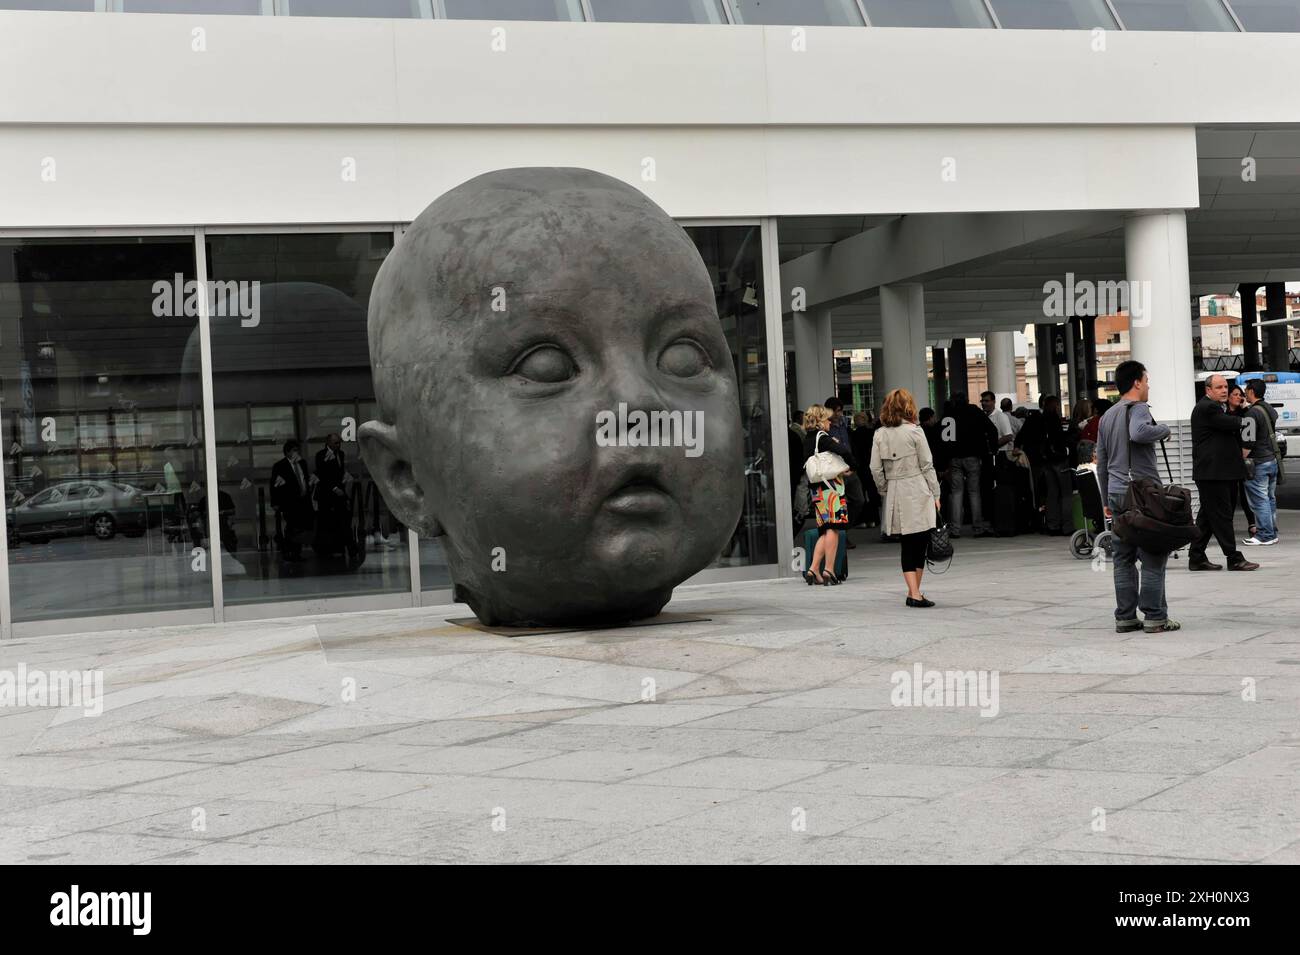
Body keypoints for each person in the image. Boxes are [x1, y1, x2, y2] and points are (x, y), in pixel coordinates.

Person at [1096, 360, 1179, 633]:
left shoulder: (1107, 416)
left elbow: (1102, 462)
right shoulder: (1139, 408)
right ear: (1136, 383)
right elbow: (1139, 432)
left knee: (1123, 557)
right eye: (1147, 380)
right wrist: (1164, 430)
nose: (1148, 385)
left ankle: (1126, 617)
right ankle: (1155, 616)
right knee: (1154, 554)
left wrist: (1107, 500)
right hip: (1142, 494)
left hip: (1118, 492)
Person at [870, 388, 942, 608]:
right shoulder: (915, 431)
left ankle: (914, 592)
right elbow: (927, 465)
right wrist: (936, 493)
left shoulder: (880, 434)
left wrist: (885, 489)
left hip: (895, 489)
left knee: (906, 544)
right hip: (917, 487)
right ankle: (914, 593)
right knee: (919, 542)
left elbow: (875, 468)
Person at [1189, 374, 1258, 572]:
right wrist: (1245, 413)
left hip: (1217, 472)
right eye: (1219, 387)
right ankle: (1233, 557)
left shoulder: (1215, 408)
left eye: (1225, 387)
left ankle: (1196, 557)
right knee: (1222, 516)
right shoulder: (1208, 407)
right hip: (1213, 473)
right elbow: (1230, 423)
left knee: (1208, 517)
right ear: (1208, 390)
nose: (1224, 390)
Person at [802, 404, 855, 585]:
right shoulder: (822, 438)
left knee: (824, 529)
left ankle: (813, 568)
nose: (830, 424)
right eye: (827, 420)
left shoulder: (808, 439)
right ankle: (829, 570)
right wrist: (852, 466)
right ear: (820, 421)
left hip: (816, 489)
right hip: (831, 488)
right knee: (833, 528)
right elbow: (844, 452)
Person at [946, 391, 997, 538]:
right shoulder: (974, 411)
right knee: (974, 492)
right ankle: (977, 528)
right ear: (967, 400)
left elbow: (942, 436)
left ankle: (955, 529)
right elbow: (992, 429)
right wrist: (992, 449)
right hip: (973, 457)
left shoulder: (949, 414)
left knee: (956, 493)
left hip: (954, 458)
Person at [1242, 379, 1280, 546]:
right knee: (1269, 498)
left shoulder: (1251, 414)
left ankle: (1265, 534)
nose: (1244, 393)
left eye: (1246, 390)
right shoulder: (1269, 409)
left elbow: (1248, 441)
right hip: (1271, 459)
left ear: (1251, 391)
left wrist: (1241, 458)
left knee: (1259, 500)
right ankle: (1272, 531)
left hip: (1257, 461)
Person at [826, 397, 865, 537]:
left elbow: (850, 444)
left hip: (850, 468)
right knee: (837, 505)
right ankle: (840, 534)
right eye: (837, 411)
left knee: (859, 500)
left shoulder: (844, 425)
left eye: (841, 411)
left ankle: (844, 529)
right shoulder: (825, 427)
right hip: (835, 471)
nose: (839, 414)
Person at [270, 439, 313, 561]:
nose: (297, 453)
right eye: (294, 450)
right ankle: (290, 551)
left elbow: (305, 479)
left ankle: (296, 552)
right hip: (289, 501)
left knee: (300, 526)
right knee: (292, 526)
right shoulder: (280, 466)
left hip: (303, 500)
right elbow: (274, 485)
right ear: (287, 452)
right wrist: (275, 502)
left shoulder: (302, 463)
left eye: (297, 450)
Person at [1227, 383, 1257, 537]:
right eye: (1235, 394)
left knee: (1246, 492)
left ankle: (1252, 522)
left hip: (1242, 457)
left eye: (1241, 395)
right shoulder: (1223, 414)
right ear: (1228, 397)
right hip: (1228, 459)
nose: (1239, 397)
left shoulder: (1245, 413)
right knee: (1230, 493)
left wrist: (1246, 408)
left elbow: (1250, 435)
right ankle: (1228, 524)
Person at [850, 411, 879, 528]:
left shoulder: (853, 435)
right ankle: (874, 519)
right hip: (871, 466)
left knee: (860, 495)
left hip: (859, 467)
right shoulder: (872, 433)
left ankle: (861, 520)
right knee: (872, 494)